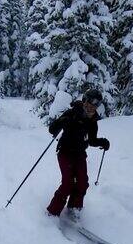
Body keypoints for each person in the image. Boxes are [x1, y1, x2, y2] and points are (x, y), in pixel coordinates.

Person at [47, 89, 110, 224]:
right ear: (84, 101)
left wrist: (102, 142)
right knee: (68, 183)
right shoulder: (72, 113)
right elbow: (52, 129)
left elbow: (92, 140)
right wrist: (62, 121)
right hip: (65, 152)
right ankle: (52, 213)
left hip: (80, 154)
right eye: (89, 102)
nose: (91, 106)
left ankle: (74, 208)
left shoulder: (93, 121)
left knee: (82, 182)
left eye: (95, 104)